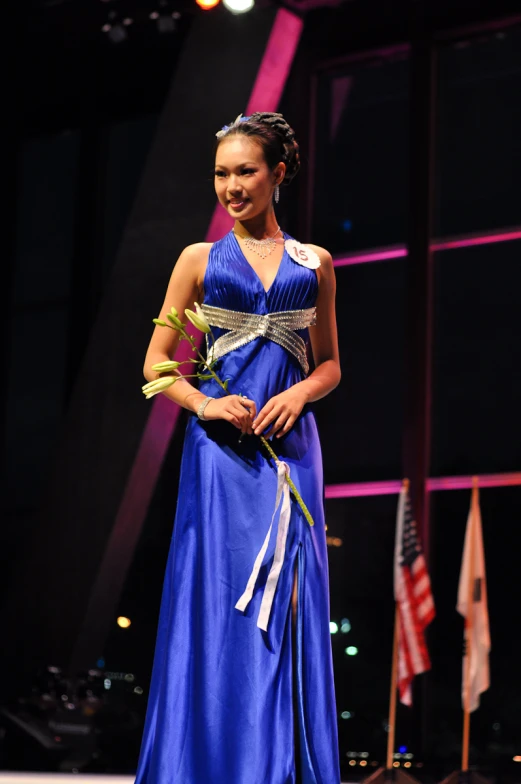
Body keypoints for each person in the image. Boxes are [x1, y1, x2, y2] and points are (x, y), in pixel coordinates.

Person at [134, 111, 341, 783]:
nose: (230, 186)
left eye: (245, 171)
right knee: (215, 602)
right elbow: (158, 364)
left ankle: (278, 767)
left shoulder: (315, 264)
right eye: (221, 173)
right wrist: (204, 401)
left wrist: (301, 393)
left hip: (289, 462)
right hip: (220, 460)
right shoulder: (197, 260)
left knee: (284, 607)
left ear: (278, 173)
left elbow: (330, 363)